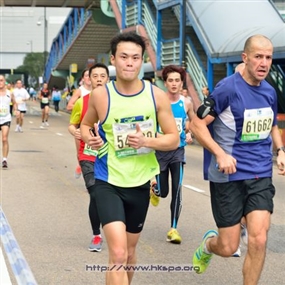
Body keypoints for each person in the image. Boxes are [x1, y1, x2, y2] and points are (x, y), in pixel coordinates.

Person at [80, 31, 179, 285]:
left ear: (142, 60)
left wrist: (148, 141)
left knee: (131, 254)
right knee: (118, 253)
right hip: (107, 180)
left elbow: (173, 138)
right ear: (113, 59)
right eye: (124, 57)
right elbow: (85, 124)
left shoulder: (156, 95)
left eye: (135, 58)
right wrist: (89, 137)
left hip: (139, 183)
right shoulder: (101, 95)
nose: (129, 63)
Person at [190, 34, 285, 284]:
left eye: (268, 58)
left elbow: (272, 124)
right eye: (258, 57)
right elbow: (197, 125)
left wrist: (281, 150)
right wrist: (220, 154)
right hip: (228, 176)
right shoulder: (228, 89)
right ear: (245, 58)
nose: (264, 63)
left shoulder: (269, 91)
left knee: (259, 239)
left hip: (260, 172)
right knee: (228, 246)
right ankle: (208, 247)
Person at [149, 65, 194, 244]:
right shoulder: (159, 101)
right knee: (163, 192)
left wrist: (190, 132)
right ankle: (154, 189)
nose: (174, 84)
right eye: (170, 80)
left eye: (177, 80)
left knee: (177, 190)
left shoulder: (187, 102)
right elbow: (149, 123)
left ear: (181, 82)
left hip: (178, 151)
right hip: (160, 151)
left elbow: (191, 120)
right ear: (165, 82)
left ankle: (173, 229)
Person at [68, 63, 110, 252]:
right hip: (88, 154)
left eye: (103, 76)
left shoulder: (115, 100)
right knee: (95, 193)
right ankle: (96, 235)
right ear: (89, 79)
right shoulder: (82, 101)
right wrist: (75, 133)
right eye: (95, 76)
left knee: (109, 194)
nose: (99, 79)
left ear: (108, 79)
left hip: (111, 155)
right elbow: (73, 124)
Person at [67, 69, 92, 179]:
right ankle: (82, 166)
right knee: (81, 153)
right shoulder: (80, 91)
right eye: (86, 75)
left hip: (96, 125)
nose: (89, 77)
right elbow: (69, 106)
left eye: (91, 75)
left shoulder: (102, 92)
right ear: (83, 79)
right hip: (82, 125)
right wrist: (84, 107)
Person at [0, 75, 17, 168]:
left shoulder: (9, 93)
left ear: (4, 81)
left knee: (4, 138)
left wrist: (16, 110)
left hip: (5, 118)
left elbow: (14, 102)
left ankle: (4, 159)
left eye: (1, 80)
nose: (0, 82)